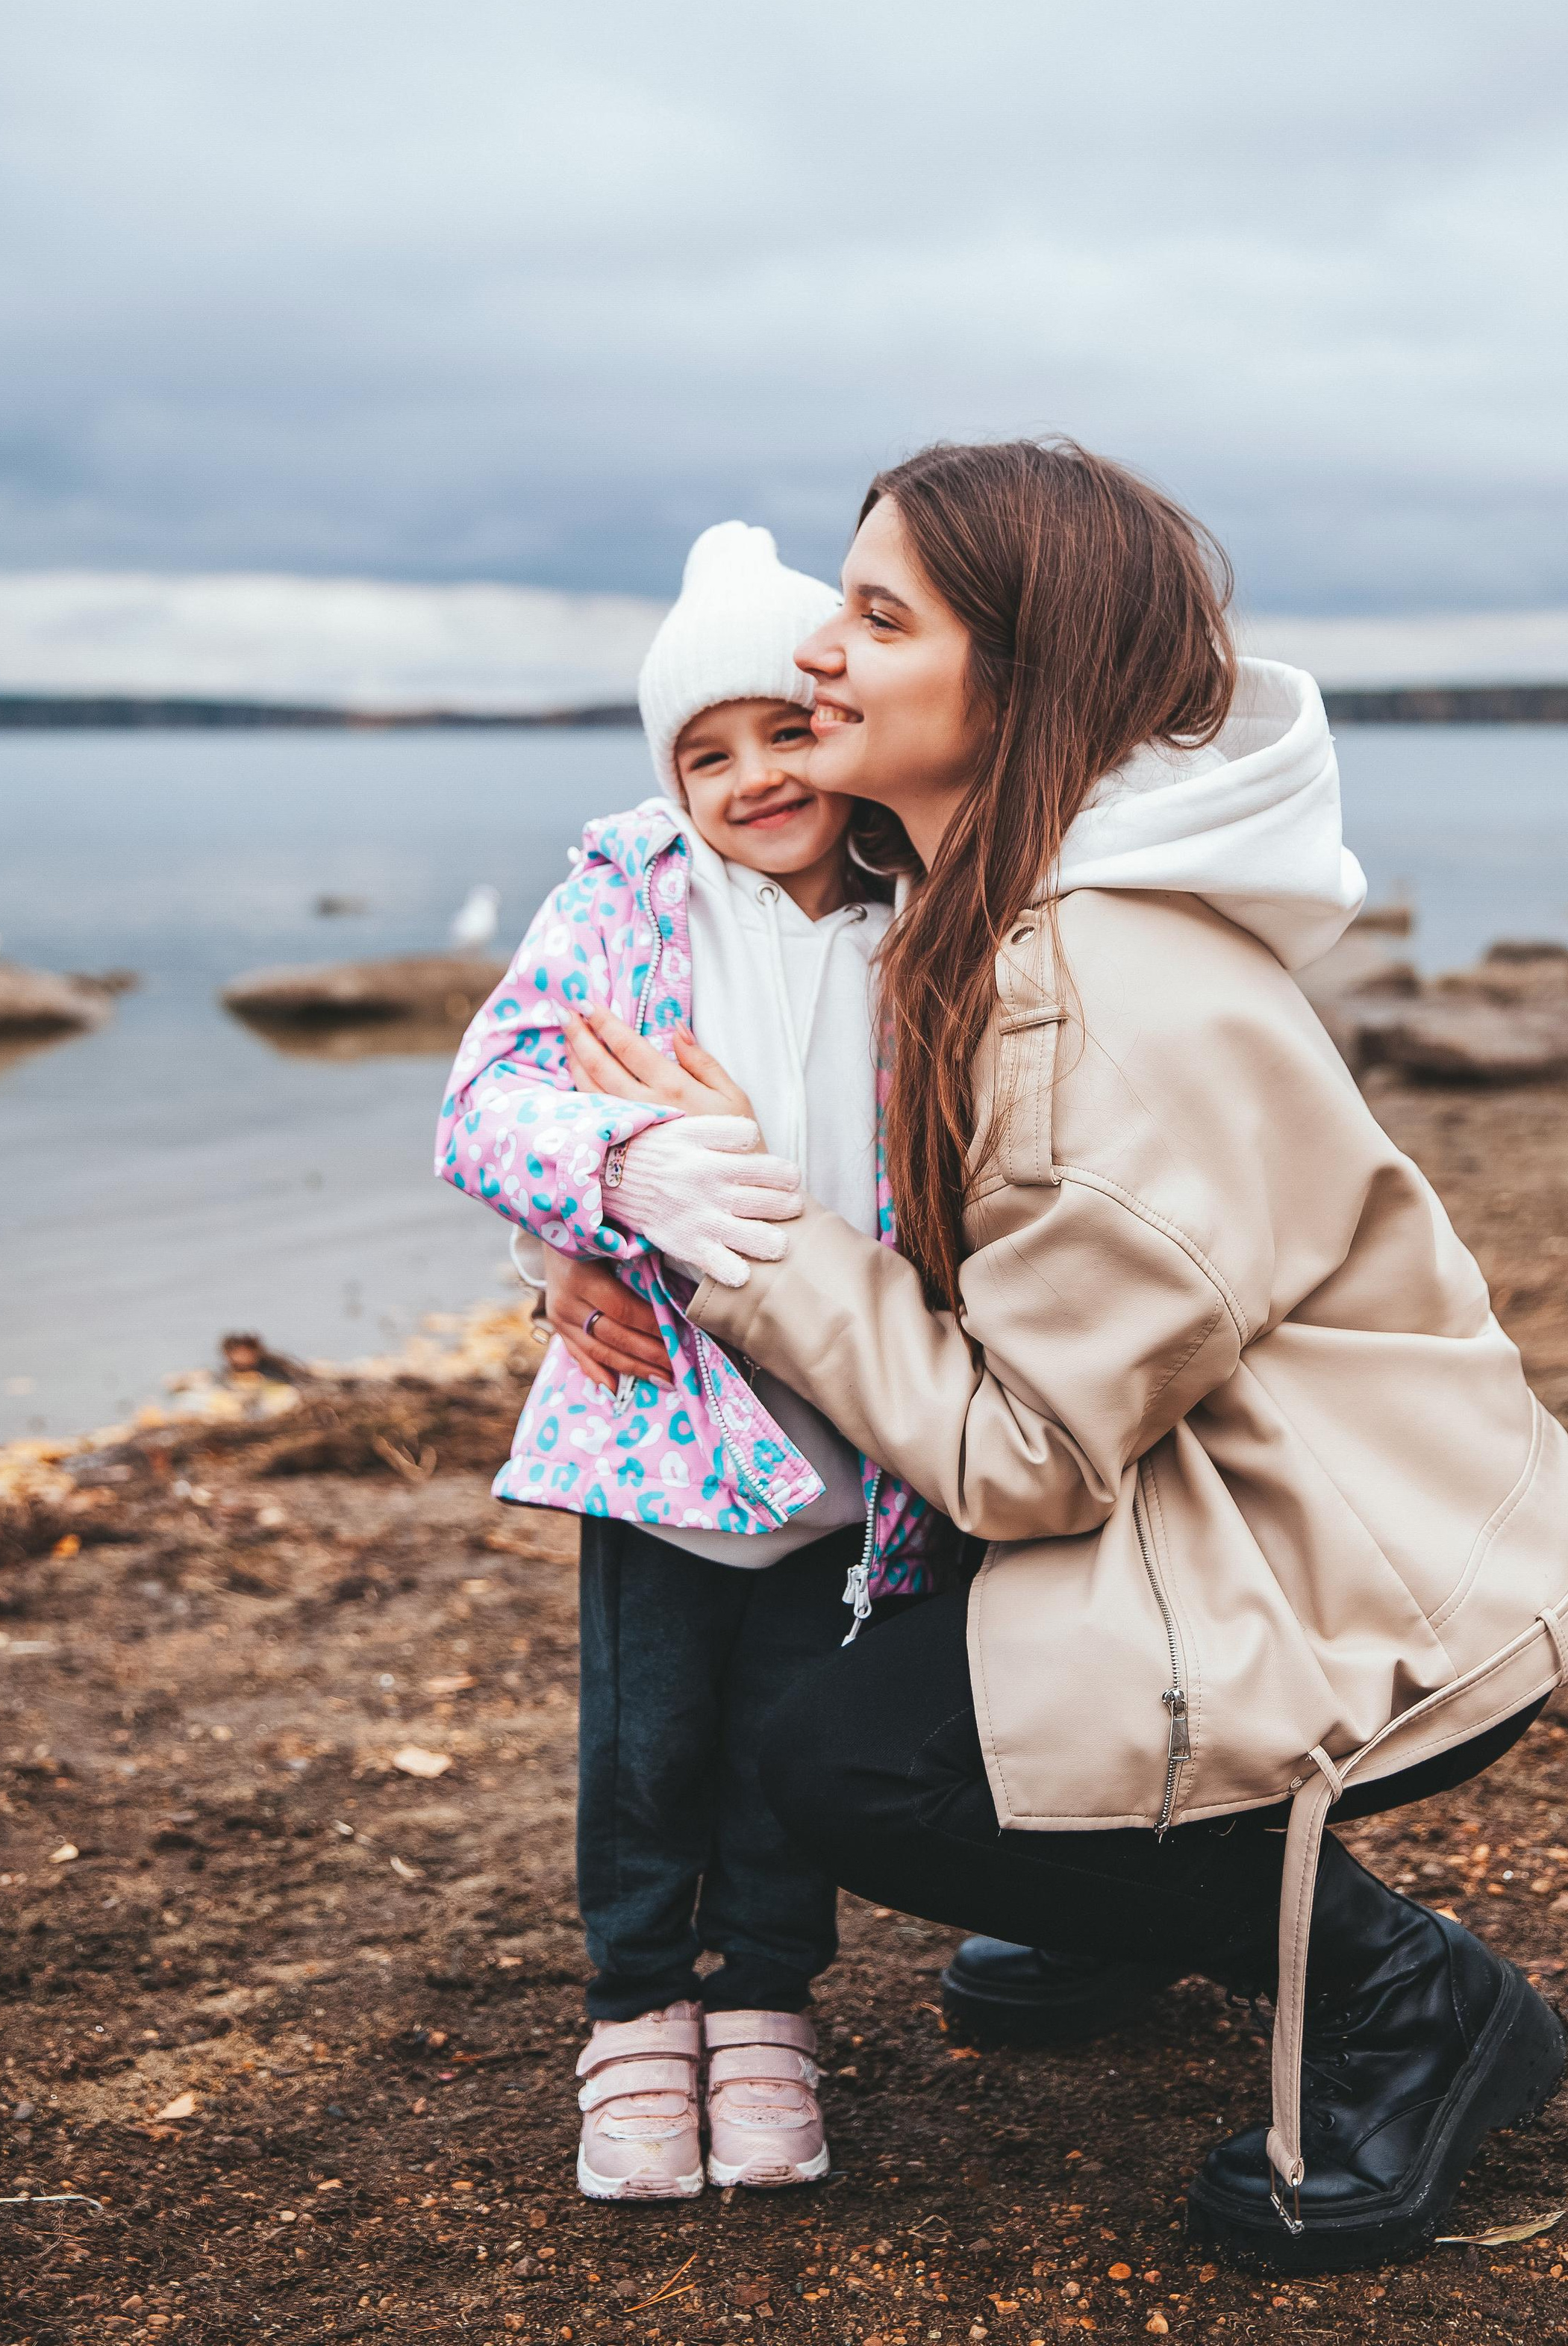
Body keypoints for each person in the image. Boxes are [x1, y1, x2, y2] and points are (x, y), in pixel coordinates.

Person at [561, 438, 1568, 2275]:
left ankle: (1407, 2003)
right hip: (1195, 1497)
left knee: (848, 1759)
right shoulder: (967, 899)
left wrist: (728, 1232)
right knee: (890, 1654)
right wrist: (582, 1231)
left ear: (1017, 683)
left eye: (874, 621)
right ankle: (1133, 1909)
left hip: (1361, 1575)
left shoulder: (1103, 985)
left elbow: (1024, 1448)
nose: (815, 657)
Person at [434, 520, 940, 2203]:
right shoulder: (624, 904)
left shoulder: (920, 919)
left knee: (794, 1747)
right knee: (647, 1745)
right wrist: (593, 1202)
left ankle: (770, 2012)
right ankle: (639, 2010)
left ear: (847, 731)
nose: (749, 780)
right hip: (659, 1416)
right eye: (702, 753)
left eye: (785, 731)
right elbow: (489, 1103)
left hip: (852, 1431)